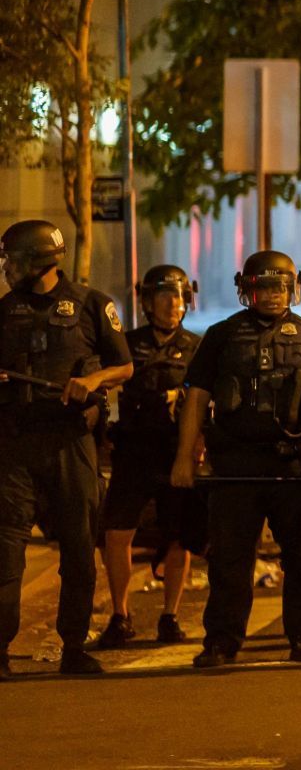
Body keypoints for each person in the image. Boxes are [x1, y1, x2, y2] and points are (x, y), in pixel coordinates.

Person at [169, 250, 301, 667]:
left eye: (281, 286)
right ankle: (221, 642)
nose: (273, 295)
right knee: (230, 560)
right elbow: (196, 399)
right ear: (245, 290)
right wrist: (185, 458)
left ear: (294, 287)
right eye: (264, 287)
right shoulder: (220, 336)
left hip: (298, 466)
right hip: (236, 466)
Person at [0, 220, 132, 678]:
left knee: (77, 547)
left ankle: (73, 645)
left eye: (13, 261)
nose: (7, 269)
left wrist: (92, 381)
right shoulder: (4, 310)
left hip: (72, 441)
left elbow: (124, 367)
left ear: (39, 263)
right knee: (6, 550)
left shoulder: (94, 306)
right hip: (15, 444)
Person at [95, 265, 203, 649]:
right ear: (147, 303)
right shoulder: (127, 344)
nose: (173, 305)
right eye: (164, 297)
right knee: (117, 532)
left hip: (177, 453)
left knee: (179, 537)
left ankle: (170, 615)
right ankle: (120, 615)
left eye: (179, 297)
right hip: (133, 452)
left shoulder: (196, 347)